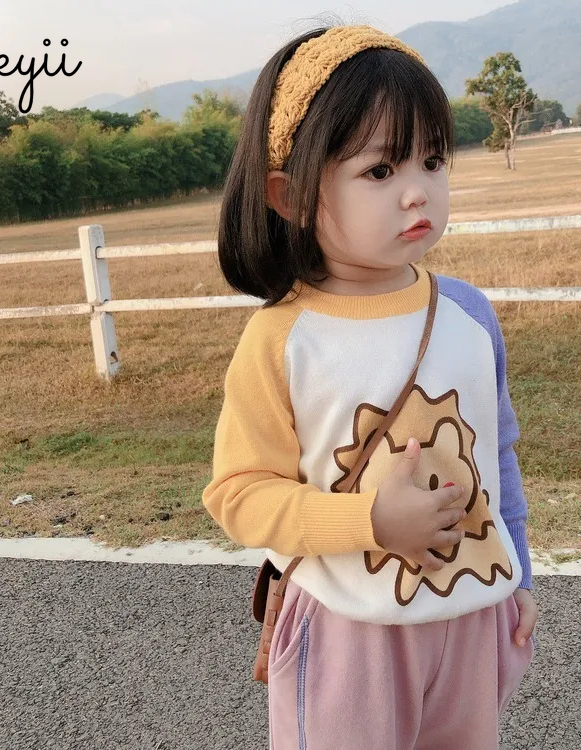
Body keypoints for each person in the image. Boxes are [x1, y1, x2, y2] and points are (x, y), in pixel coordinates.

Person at [202, 23, 539, 750]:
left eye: (433, 160)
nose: (418, 192)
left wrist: (520, 576)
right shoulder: (282, 339)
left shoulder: (469, 314)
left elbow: (498, 456)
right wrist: (370, 522)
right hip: (348, 631)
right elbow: (238, 494)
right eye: (380, 170)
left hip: (470, 618)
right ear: (290, 195)